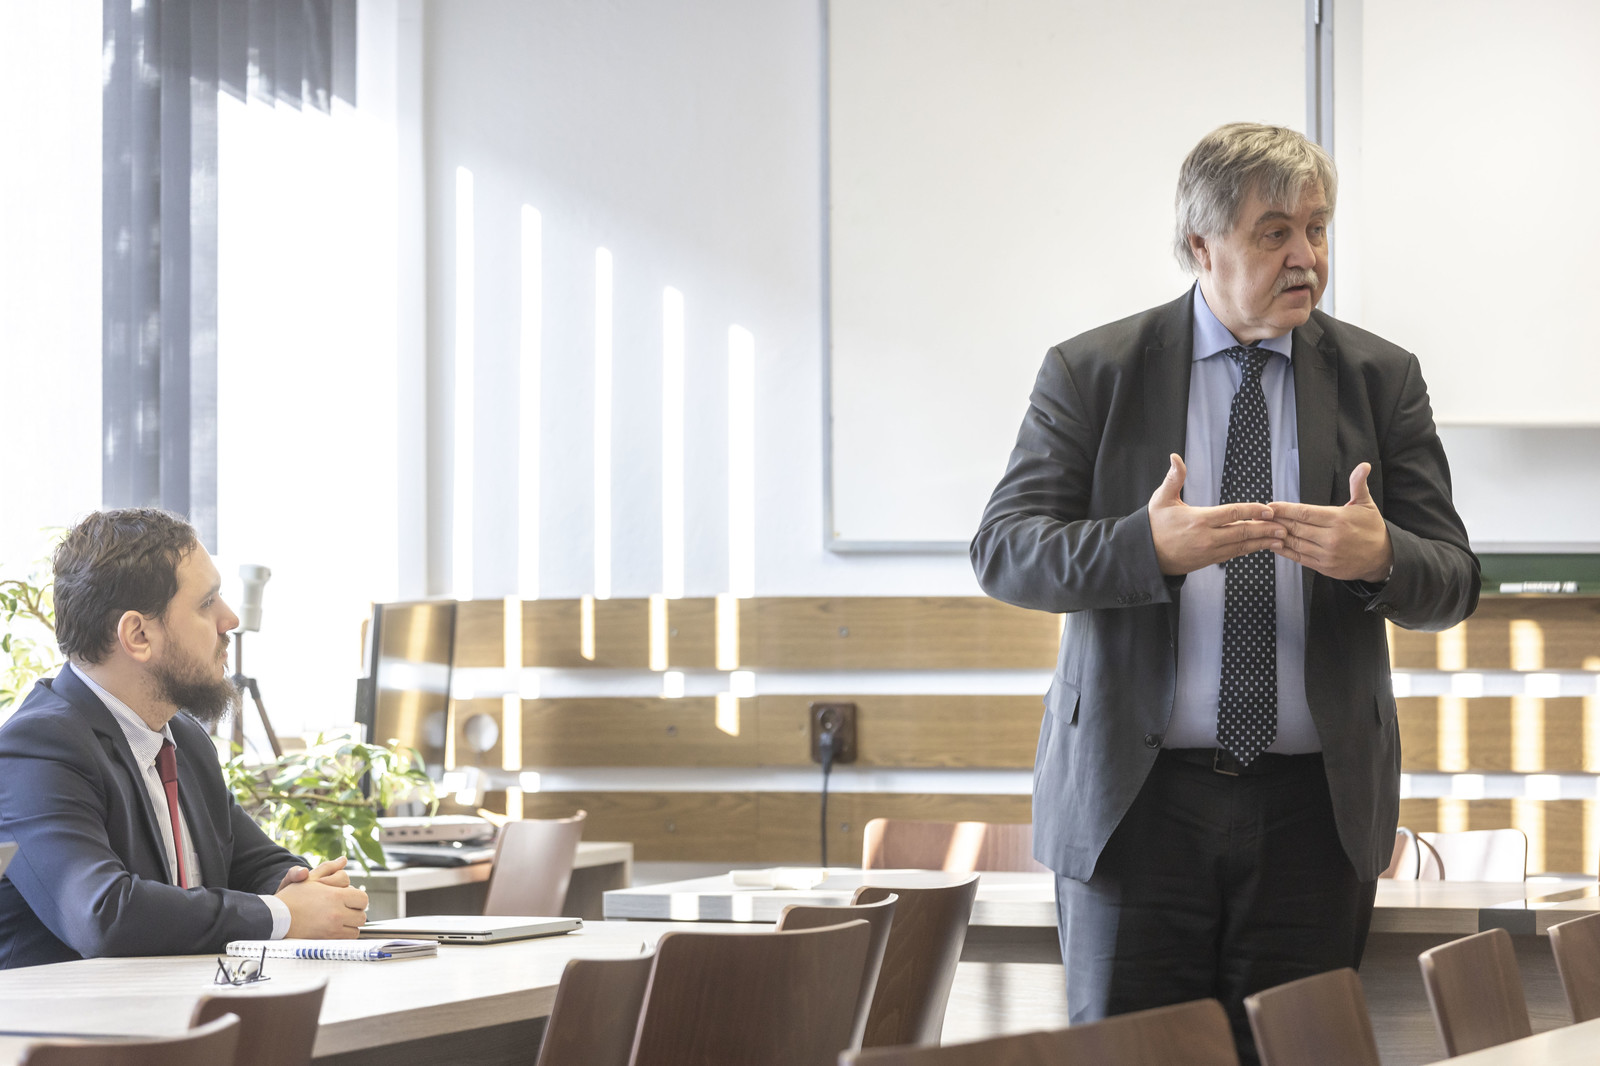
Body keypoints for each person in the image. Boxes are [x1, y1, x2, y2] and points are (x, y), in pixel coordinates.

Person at [969, 123, 1478, 1063]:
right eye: (1274, 233)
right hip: (1136, 809)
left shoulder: (1380, 379)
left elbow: (1453, 579)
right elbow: (1004, 552)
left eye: (1318, 229)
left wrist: (1383, 557)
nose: (1306, 257)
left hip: (1313, 813)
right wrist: (1143, 547)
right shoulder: (1093, 372)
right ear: (1201, 245)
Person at [0, 508, 369, 968]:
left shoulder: (183, 740)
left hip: (175, 1004)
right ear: (138, 635)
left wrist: (309, 891)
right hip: (71, 1014)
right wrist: (282, 914)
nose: (230, 619)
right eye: (206, 603)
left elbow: (256, 864)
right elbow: (103, 913)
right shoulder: (36, 749)